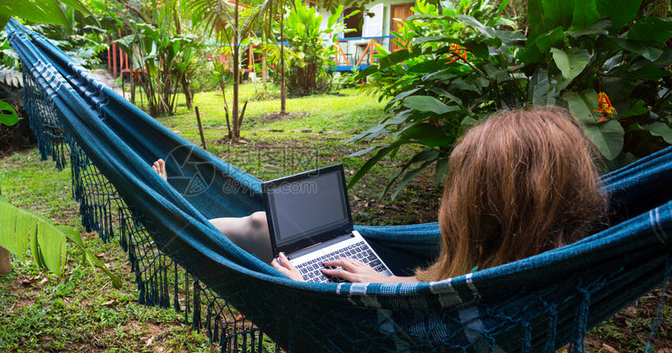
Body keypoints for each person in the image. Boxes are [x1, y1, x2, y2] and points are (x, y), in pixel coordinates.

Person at [155, 107, 609, 284]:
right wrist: (386, 281)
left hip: (348, 302)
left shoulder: (487, 288)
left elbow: (427, 316)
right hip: (388, 284)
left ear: (486, 211)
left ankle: (169, 208)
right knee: (263, 221)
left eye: (458, 186)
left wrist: (302, 290)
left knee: (264, 226)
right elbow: (440, 288)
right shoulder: (527, 266)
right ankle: (177, 207)